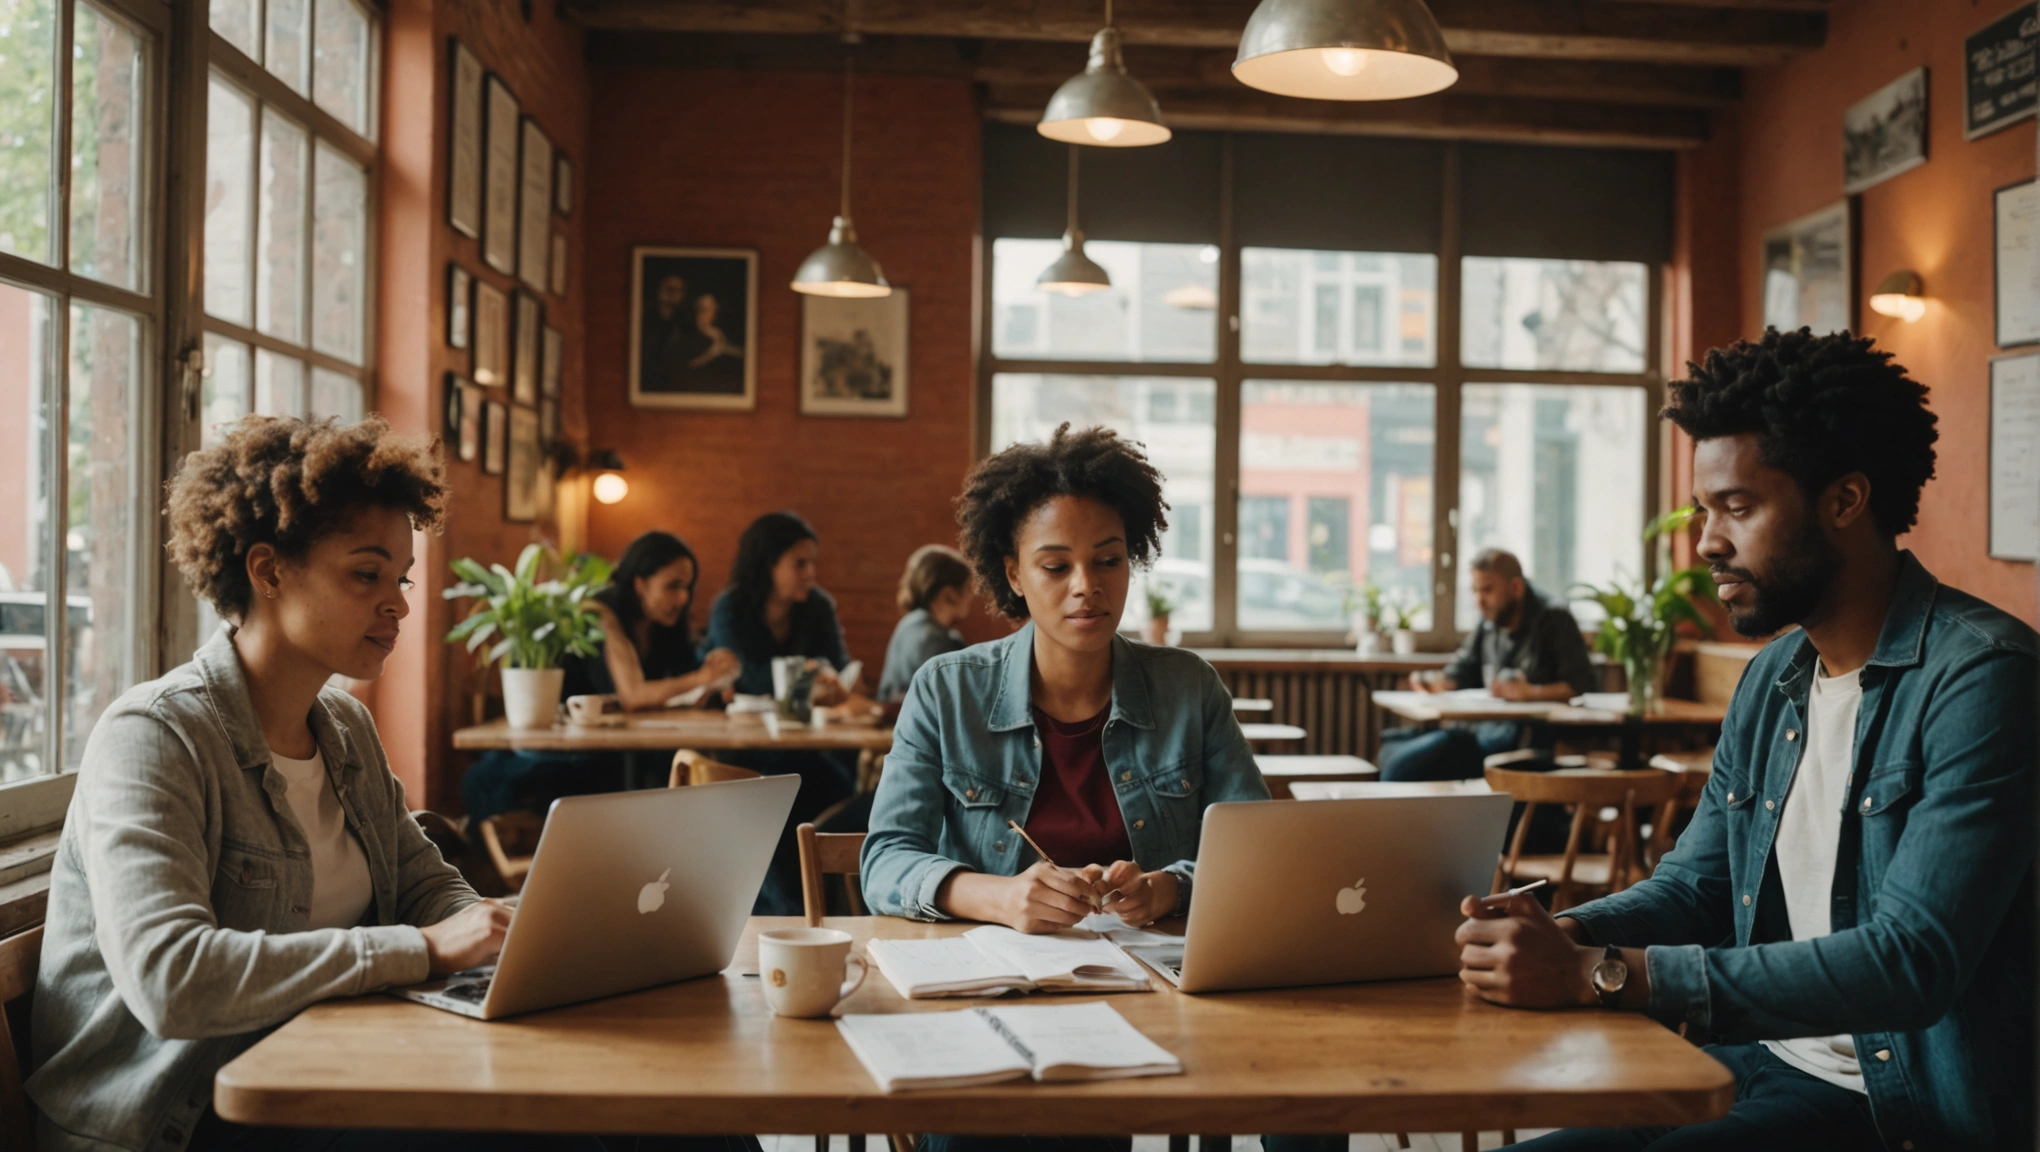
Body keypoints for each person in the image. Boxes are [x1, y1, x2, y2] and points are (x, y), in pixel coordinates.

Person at [1455, 329, 2035, 1151]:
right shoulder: (1774, 680)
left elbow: (1913, 961)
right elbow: (1699, 886)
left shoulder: (1984, 679)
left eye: (1738, 507)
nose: (1707, 544)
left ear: (1845, 501)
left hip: (1891, 1106)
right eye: (1704, 510)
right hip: (1747, 1057)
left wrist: (1601, 975)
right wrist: (1566, 936)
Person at [30, 416, 546, 1151]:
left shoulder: (346, 729)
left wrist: (507, 939)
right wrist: (427, 952)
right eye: (367, 575)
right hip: (183, 1117)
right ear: (268, 571)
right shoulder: (153, 736)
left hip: (324, 1068)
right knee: (517, 1134)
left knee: (634, 1110)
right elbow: (172, 979)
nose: (399, 603)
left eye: (399, 578)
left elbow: (426, 885)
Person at [862, 425, 1270, 1152]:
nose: (1088, 586)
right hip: (995, 996)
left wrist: (1167, 888)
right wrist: (1000, 896)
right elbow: (885, 858)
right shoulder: (948, 690)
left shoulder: (1187, 688)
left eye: (1109, 560)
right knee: (982, 1127)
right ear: (1013, 574)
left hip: (1158, 1000)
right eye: (1056, 566)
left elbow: (1260, 857)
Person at [462, 531, 742, 818]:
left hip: (625, 751)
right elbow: (633, 696)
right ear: (640, 583)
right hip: (571, 752)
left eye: (687, 587)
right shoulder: (600, 612)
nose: (683, 597)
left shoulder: (667, 629)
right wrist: (700, 678)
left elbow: (683, 681)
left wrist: (715, 679)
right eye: (673, 586)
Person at [702, 511, 862, 914]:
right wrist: (806, 681)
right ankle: (784, 906)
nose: (810, 573)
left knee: (846, 797)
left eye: (813, 563)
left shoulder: (818, 607)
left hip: (803, 749)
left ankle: (822, 902)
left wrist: (827, 681)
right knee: (771, 805)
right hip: (744, 753)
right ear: (768, 564)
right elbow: (738, 675)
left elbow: (837, 666)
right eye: (799, 563)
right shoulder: (731, 607)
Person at [1378, 548, 1597, 782]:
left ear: (1515, 587)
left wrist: (1532, 693)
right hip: (1481, 734)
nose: (1479, 601)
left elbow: (1582, 685)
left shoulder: (1555, 618)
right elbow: (1463, 668)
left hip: (1524, 744)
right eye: (1475, 591)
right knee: (1390, 751)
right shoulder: (1489, 622)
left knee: (1402, 768)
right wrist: (1437, 681)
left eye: (1487, 590)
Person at [877, 544, 974, 703]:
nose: (972, 596)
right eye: (967, 589)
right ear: (948, 594)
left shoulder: (909, 624)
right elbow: (946, 700)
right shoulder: (932, 637)